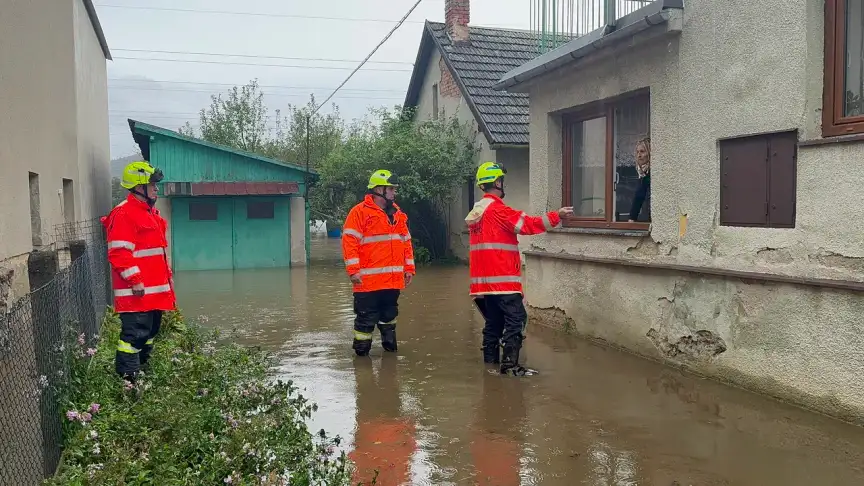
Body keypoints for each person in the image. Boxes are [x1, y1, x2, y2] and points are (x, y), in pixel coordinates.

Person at [466, 162, 573, 376]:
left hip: (484, 285)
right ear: (496, 182)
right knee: (517, 320)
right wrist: (557, 215)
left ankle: (490, 364)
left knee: (494, 323)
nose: (503, 184)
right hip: (503, 282)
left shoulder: (476, 213)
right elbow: (529, 224)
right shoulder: (498, 211)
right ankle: (511, 367)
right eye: (501, 181)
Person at [101, 161, 176, 382]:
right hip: (137, 294)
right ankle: (128, 383)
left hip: (154, 293)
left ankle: (142, 372)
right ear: (138, 186)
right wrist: (135, 280)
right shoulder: (124, 213)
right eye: (152, 184)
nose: (156, 188)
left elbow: (155, 253)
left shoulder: (149, 213)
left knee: (149, 334)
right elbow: (119, 253)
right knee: (132, 339)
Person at [342, 170, 416, 357]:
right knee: (365, 323)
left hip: (391, 282)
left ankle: (390, 357)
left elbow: (406, 242)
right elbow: (349, 243)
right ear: (378, 190)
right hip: (367, 283)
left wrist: (409, 269)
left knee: (389, 319)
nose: (394, 192)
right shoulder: (359, 213)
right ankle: (361, 360)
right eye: (391, 189)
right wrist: (353, 271)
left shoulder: (398, 213)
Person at [628, 137, 651, 222]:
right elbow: (638, 198)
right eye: (637, 152)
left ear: (649, 153)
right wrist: (631, 219)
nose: (639, 155)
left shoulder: (652, 173)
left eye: (642, 151)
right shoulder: (642, 173)